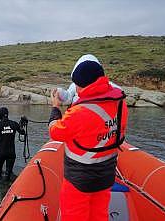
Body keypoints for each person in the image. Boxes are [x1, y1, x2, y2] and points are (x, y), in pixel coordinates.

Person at [49, 54, 128, 221]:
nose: (76, 89)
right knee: (99, 215)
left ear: (83, 86)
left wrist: (55, 108)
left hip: (79, 180)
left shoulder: (79, 112)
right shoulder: (120, 102)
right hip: (106, 175)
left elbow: (55, 132)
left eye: (77, 86)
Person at [57, 54, 121, 105]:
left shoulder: (110, 88)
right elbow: (68, 97)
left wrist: (55, 108)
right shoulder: (76, 84)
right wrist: (60, 92)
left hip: (81, 114)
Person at [0, 107, 26, 180]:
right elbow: (23, 132)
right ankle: (8, 186)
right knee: (9, 173)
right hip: (11, 153)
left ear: (0, 115)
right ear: (7, 114)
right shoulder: (14, 124)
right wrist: (22, 124)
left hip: (1, 153)